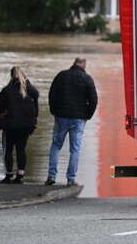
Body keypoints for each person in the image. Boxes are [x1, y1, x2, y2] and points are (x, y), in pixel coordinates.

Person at [45, 57, 98, 186]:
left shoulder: (61, 76)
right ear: (83, 64)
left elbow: (52, 94)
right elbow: (94, 99)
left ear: (74, 63)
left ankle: (51, 176)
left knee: (56, 145)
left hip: (61, 117)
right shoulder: (87, 79)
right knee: (75, 149)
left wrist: (54, 111)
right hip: (79, 119)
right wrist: (88, 115)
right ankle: (71, 178)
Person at [0, 67, 39, 184]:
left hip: (10, 125)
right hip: (26, 126)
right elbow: (36, 108)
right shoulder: (31, 90)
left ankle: (9, 175)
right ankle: (20, 175)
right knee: (21, 150)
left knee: (8, 149)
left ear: (11, 76)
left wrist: (4, 111)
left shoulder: (8, 90)